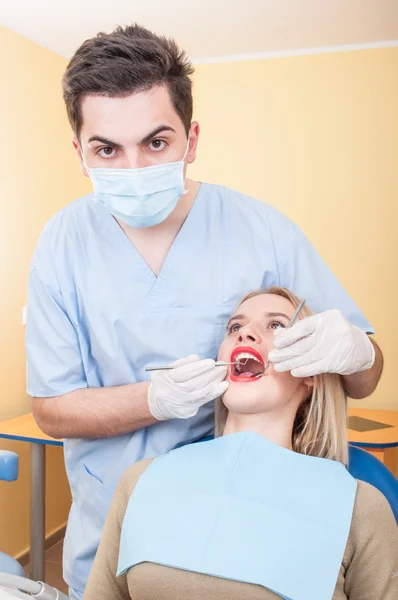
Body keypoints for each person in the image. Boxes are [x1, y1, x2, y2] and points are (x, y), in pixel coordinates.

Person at [25, 24, 384, 599]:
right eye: (107, 150)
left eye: (157, 142)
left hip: (256, 528)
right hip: (116, 534)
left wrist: (359, 349)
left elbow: (361, 376)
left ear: (191, 140)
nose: (135, 168)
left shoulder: (261, 231)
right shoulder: (63, 243)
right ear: (79, 152)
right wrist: (153, 400)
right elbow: (50, 408)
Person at [82, 288, 397, 600]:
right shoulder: (139, 482)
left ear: (310, 371)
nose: (246, 333)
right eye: (235, 327)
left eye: (275, 325)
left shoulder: (361, 509)